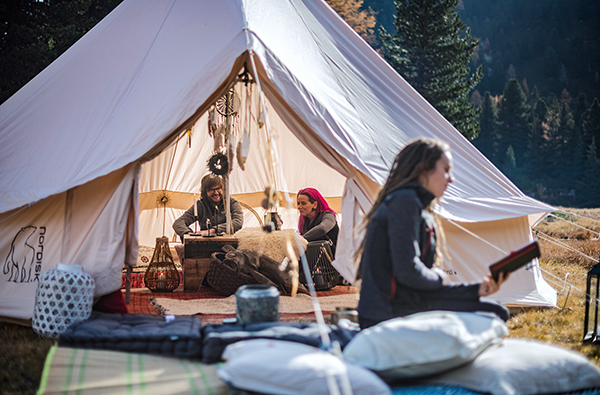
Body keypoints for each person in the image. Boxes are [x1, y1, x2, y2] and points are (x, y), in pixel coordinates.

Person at [355, 138, 510, 329]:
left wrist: (476, 289)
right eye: (445, 169)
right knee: (493, 313)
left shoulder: (414, 205)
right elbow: (408, 273)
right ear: (424, 169)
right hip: (387, 315)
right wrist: (439, 277)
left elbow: (416, 287)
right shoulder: (405, 201)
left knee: (495, 309)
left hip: (402, 307)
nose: (451, 178)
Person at [173, 174, 243, 241]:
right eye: (211, 190)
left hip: (228, 245)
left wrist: (213, 230)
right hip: (205, 245)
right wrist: (189, 234)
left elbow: (238, 222)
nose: (216, 193)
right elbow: (178, 223)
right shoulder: (200, 205)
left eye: (218, 188)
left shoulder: (232, 203)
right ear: (205, 192)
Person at [297, 188, 339, 257]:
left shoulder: (328, 215)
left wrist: (301, 239)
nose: (299, 206)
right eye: (298, 203)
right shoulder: (304, 222)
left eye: (303, 203)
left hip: (333, 262)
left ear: (315, 204)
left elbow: (322, 228)